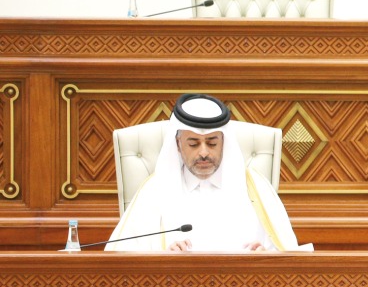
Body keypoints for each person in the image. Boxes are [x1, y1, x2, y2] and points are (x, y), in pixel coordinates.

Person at [106, 93, 300, 252]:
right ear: (178, 145)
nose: (204, 152)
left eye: (212, 143)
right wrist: (164, 257)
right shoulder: (155, 190)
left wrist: (265, 256)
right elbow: (123, 259)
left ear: (224, 143)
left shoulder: (255, 187)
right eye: (193, 144)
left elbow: (288, 256)